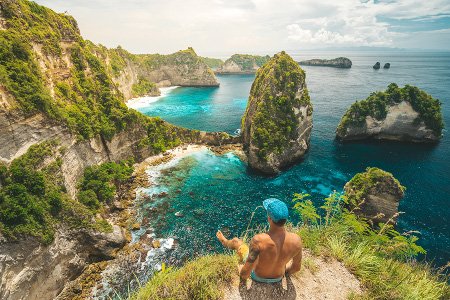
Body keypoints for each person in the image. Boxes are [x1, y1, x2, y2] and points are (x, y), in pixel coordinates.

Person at [216, 198, 302, 283]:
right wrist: (283, 272)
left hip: (257, 277)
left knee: (236, 241)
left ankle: (224, 241)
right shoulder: (296, 240)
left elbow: (245, 274)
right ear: (285, 219)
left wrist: (240, 269)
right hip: (278, 278)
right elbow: (296, 268)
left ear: (269, 218)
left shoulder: (259, 240)